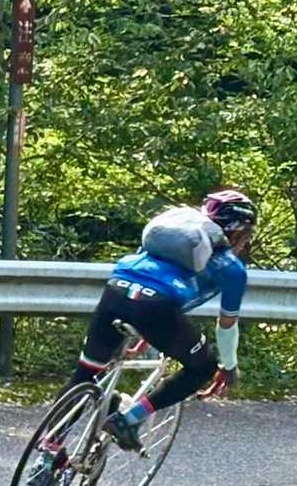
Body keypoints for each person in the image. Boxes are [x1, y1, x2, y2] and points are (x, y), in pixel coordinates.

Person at [62, 190, 256, 452]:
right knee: (203, 366)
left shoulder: (171, 236)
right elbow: (227, 325)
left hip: (116, 289)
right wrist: (229, 367)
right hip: (156, 308)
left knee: (86, 372)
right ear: (238, 233)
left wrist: (146, 334)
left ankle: (48, 452)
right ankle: (128, 420)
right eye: (247, 236)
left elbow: (148, 281)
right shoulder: (231, 268)